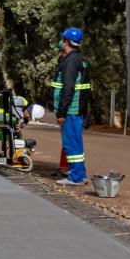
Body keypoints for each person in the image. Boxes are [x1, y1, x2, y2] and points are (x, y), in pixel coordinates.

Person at [51, 27, 91, 185]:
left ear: (66, 42)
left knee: (70, 143)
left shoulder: (70, 62)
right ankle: (79, 172)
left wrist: (61, 112)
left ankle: (76, 177)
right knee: (75, 141)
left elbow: (68, 88)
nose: (61, 42)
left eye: (62, 39)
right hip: (76, 109)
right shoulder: (81, 59)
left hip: (70, 110)